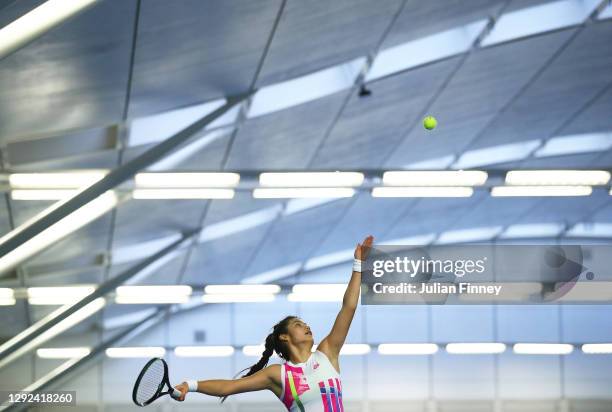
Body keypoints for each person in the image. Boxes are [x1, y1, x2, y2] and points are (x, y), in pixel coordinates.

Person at [174, 235, 374, 411]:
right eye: (298, 324)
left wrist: (358, 266)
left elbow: (348, 307)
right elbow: (228, 388)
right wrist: (189, 385)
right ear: (284, 337)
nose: (306, 326)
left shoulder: (327, 353)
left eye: (305, 323)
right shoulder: (278, 375)